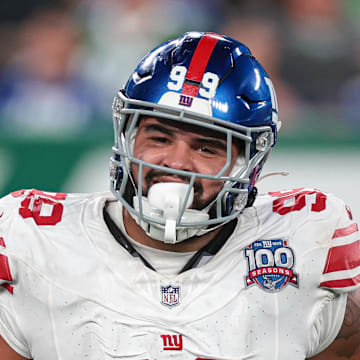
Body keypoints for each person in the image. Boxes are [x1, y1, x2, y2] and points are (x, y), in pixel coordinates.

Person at [0, 31, 358, 360]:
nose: (176, 162)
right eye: (159, 137)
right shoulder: (33, 241)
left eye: (206, 148)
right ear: (127, 135)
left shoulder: (305, 243)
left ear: (248, 163)